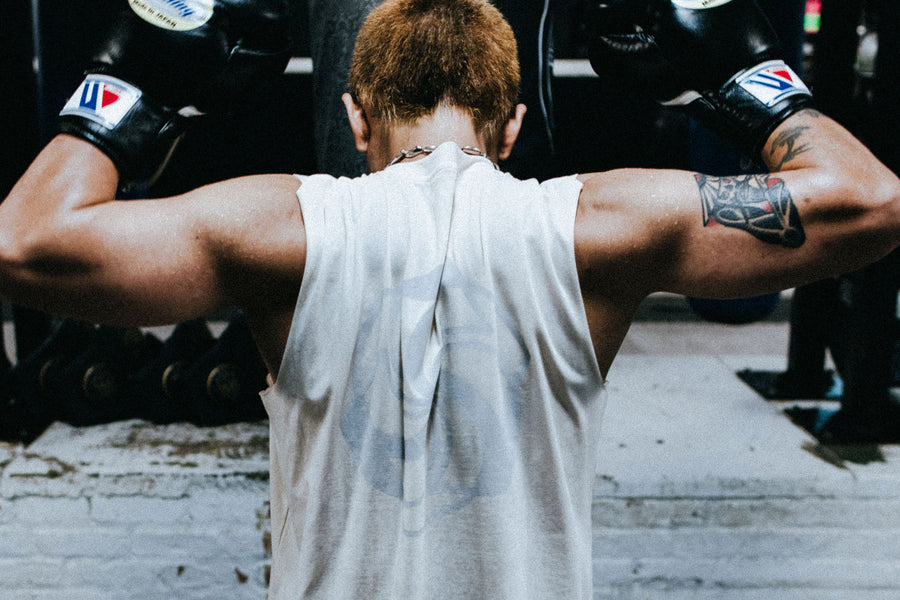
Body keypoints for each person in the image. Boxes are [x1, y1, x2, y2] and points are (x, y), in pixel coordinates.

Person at [1, 0, 898, 597]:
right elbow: (873, 200)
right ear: (514, 126)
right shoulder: (601, 228)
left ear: (355, 119)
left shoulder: (279, 231)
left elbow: (23, 239)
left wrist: (131, 87)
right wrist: (753, 81)